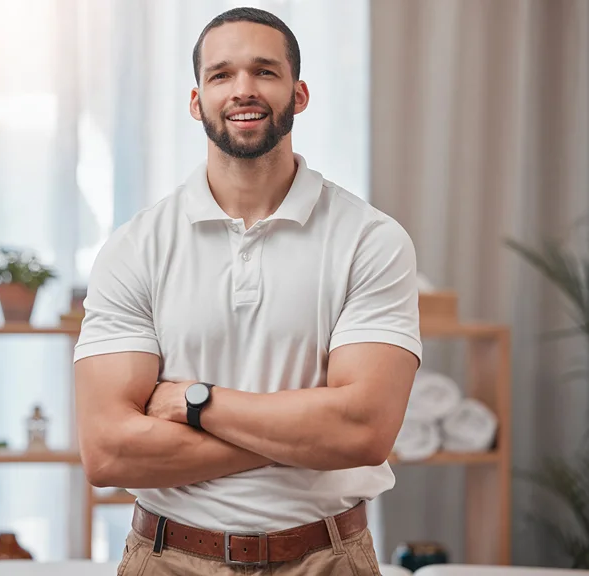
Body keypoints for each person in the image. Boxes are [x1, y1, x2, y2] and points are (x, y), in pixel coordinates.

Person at [73, 6, 421, 575]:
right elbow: (109, 451)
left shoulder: (371, 240)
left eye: (264, 71)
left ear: (299, 93)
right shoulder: (135, 247)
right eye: (221, 75)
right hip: (168, 559)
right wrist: (306, 439)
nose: (243, 90)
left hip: (326, 558)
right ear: (196, 101)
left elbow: (362, 433)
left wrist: (196, 403)